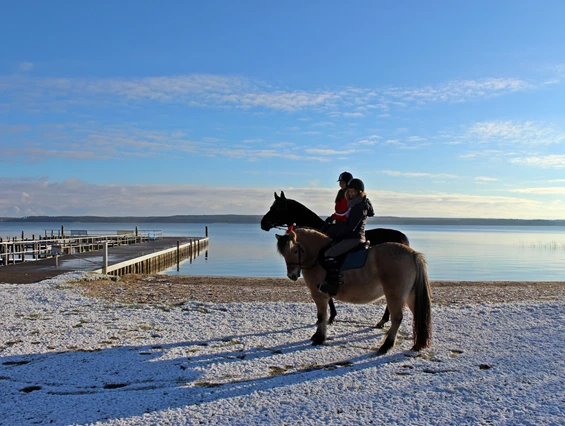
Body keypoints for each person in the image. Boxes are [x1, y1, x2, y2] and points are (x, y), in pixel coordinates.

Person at [318, 178, 374, 296]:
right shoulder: (353, 204)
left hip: (355, 238)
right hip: (351, 236)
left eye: (353, 191)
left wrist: (338, 236)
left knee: (329, 253)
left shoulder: (360, 205)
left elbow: (352, 227)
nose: (351, 193)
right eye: (350, 191)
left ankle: (333, 285)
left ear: (360, 192)